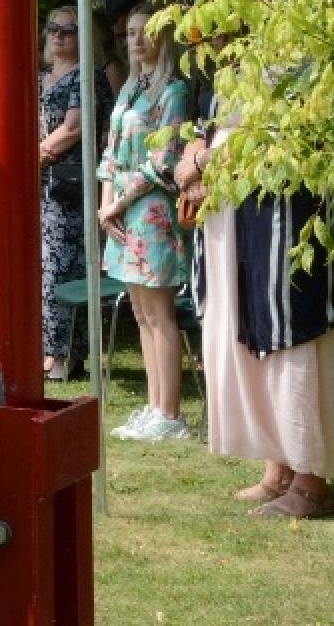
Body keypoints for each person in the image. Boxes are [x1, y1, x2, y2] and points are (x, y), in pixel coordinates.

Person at [179, 73, 334, 517]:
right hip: (236, 211)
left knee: (290, 329)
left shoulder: (296, 50)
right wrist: (192, 158)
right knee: (253, 330)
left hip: (286, 206)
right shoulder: (232, 57)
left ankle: (310, 480)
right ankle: (278, 468)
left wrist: (204, 160)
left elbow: (285, 129)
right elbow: (202, 123)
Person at [99, 2, 191, 440]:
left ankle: (169, 413)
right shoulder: (130, 87)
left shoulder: (173, 91)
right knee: (139, 311)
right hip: (121, 212)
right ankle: (154, 406)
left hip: (150, 211)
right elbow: (110, 152)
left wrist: (117, 203)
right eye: (130, 32)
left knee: (159, 312)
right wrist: (106, 204)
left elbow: (163, 161)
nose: (135, 40)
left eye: (144, 32)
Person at [37, 6, 111, 381]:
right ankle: (48, 349)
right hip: (42, 185)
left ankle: (65, 353)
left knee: (64, 269)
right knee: (44, 268)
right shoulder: (42, 76)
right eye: (53, 28)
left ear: (84, 37)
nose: (58, 35)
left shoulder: (88, 76)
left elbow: (74, 128)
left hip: (70, 187)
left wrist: (35, 155)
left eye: (68, 30)